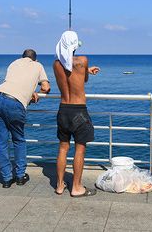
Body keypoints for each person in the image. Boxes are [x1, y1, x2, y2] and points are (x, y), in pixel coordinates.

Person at [0, 49, 50, 188]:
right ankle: (20, 176)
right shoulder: (38, 65)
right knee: (18, 139)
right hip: (15, 102)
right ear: (35, 60)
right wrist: (34, 94)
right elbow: (46, 88)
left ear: (22, 57)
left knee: (0, 141)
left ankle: (6, 179)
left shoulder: (14, 63)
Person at [53, 30, 100, 197]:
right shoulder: (83, 61)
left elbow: (68, 72)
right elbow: (82, 79)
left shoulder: (56, 64)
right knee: (79, 150)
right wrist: (87, 71)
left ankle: (59, 185)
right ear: (75, 45)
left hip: (63, 111)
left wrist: (85, 70)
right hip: (79, 111)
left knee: (63, 148)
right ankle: (77, 187)